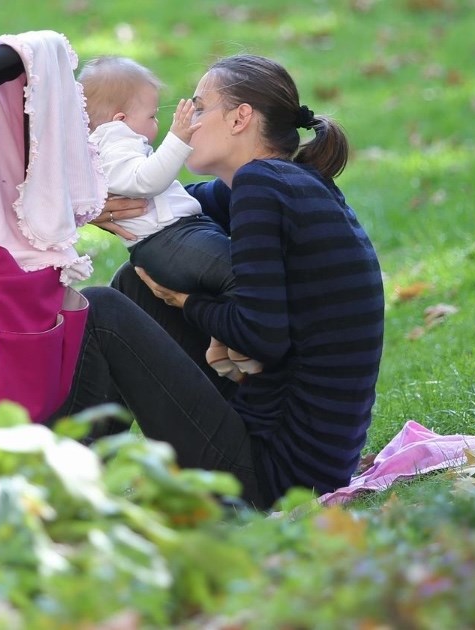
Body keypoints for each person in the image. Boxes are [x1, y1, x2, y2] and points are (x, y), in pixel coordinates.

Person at [66, 54, 385, 509]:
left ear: (241, 118)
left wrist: (186, 302)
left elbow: (263, 334)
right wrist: (99, 203)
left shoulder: (260, 185)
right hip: (300, 467)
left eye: (198, 108)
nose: (187, 123)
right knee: (135, 287)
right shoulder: (284, 181)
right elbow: (170, 210)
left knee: (103, 310)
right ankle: (69, 477)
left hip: (269, 481)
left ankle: (56, 487)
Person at [78, 56, 259, 380]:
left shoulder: (118, 146)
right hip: (169, 241)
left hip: (177, 236)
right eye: (151, 116)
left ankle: (221, 344)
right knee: (243, 273)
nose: (157, 126)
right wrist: (178, 139)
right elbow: (147, 180)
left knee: (230, 275)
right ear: (119, 119)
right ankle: (245, 342)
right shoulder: (113, 143)